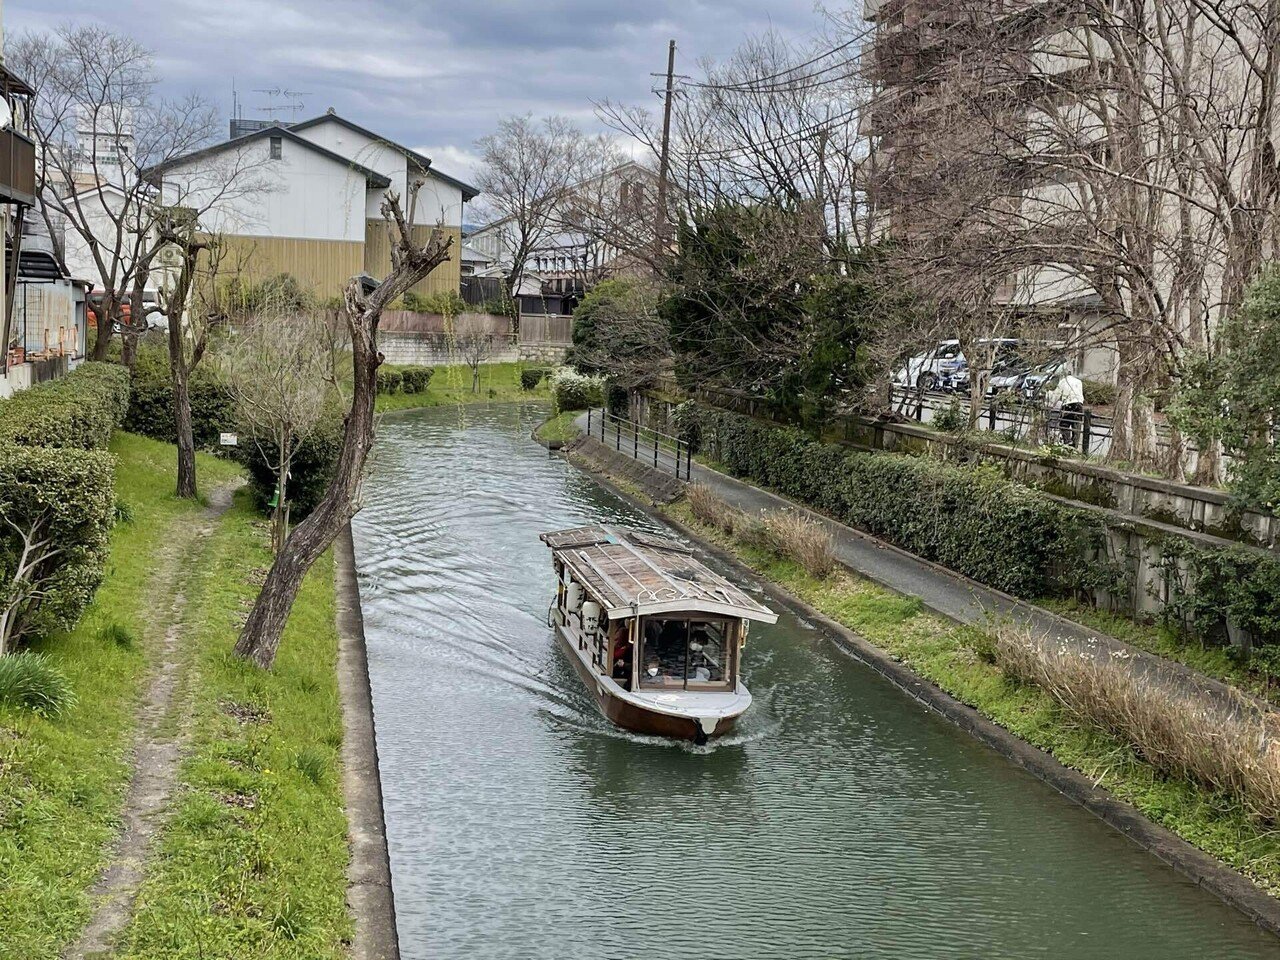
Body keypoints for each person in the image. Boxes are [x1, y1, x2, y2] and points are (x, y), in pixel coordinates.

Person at [1045, 364, 1085, 446]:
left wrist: (1051, 405)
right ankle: (1075, 445)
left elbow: (1056, 395)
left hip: (1069, 404)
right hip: (1079, 404)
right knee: (1076, 425)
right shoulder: (1078, 381)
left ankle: (1067, 441)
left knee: (1064, 424)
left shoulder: (1063, 382)